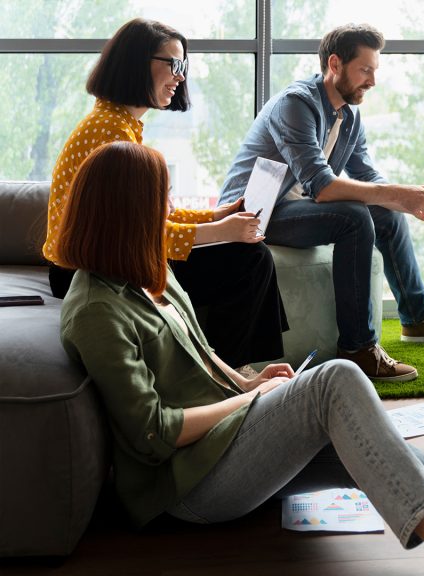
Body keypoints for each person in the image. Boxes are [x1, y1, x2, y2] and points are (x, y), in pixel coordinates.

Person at [55, 140, 424, 576]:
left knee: (377, 445)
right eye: (157, 206)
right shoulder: (96, 309)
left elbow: (201, 356)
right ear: (127, 214)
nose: (169, 218)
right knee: (338, 378)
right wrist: (249, 398)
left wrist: (249, 377)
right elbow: (153, 434)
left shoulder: (148, 276)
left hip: (226, 436)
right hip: (187, 488)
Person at [217, 23, 424, 383]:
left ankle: (417, 317)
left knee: (385, 213)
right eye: (365, 70)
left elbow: (369, 178)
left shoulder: (350, 117)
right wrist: (398, 193)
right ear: (335, 64)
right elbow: (321, 186)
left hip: (300, 209)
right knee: (354, 216)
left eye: (374, 71)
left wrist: (408, 202)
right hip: (258, 212)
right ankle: (358, 348)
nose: (372, 81)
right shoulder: (296, 104)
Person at [43, 18, 287, 369]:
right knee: (249, 259)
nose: (181, 76)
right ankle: (230, 370)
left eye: (183, 65)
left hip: (104, 259)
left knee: (250, 255)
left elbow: (151, 216)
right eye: (173, 64)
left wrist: (216, 216)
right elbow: (138, 235)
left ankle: (234, 365)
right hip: (87, 270)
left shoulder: (120, 123)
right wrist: (223, 231)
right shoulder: (110, 133)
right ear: (137, 63)